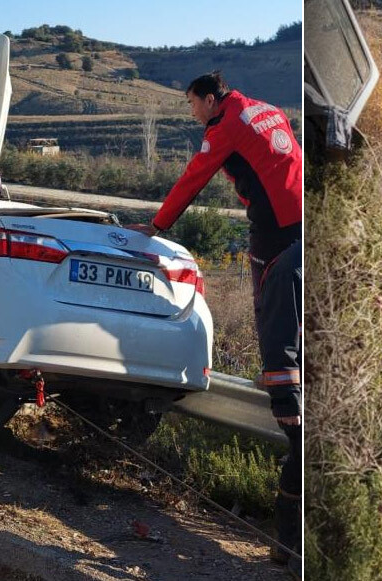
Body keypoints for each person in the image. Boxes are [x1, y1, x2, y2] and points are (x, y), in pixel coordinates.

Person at [127, 71, 302, 575]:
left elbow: (194, 177)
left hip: (275, 228)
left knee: (272, 306)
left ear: (209, 98)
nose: (191, 112)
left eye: (191, 104)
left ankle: (279, 382)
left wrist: (158, 225)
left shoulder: (223, 125)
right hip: (299, 217)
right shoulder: (267, 107)